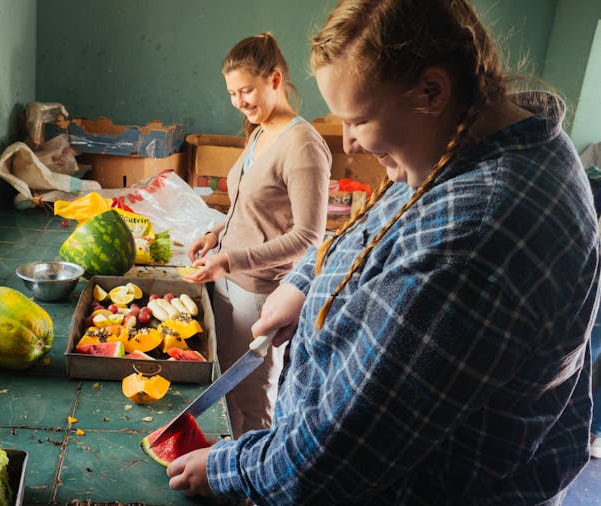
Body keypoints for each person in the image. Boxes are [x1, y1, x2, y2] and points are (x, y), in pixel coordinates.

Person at [167, 1, 601, 504]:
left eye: (359, 120)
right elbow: (377, 222)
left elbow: (339, 454)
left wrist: (227, 468)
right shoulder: (467, 139)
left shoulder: (476, 235)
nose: (348, 143)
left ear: (432, 90)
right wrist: (306, 281)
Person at [183, 32, 331, 437]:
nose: (239, 102)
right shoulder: (259, 131)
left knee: (252, 394)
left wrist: (231, 259)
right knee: (227, 387)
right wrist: (216, 234)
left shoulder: (302, 145)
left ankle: (253, 489)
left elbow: (308, 235)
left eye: (246, 90)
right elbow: (247, 206)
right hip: (228, 279)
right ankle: (231, 469)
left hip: (261, 288)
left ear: (276, 80)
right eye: (232, 93)